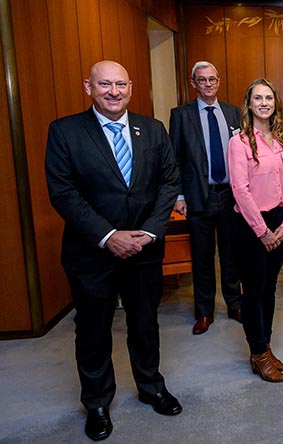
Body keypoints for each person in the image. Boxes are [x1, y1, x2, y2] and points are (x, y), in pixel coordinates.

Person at [45, 61, 182, 441]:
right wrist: (109, 236)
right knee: (92, 330)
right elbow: (63, 193)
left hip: (144, 249)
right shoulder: (65, 131)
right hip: (91, 253)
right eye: (104, 84)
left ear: (131, 87)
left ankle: (151, 386)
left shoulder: (152, 129)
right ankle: (97, 403)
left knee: (144, 323)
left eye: (120, 84)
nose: (113, 91)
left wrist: (151, 232)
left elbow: (169, 182)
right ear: (88, 86)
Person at [228, 78, 283, 382]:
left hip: (279, 224)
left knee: (269, 288)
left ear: (275, 103)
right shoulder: (239, 142)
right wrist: (263, 231)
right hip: (249, 226)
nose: (264, 103)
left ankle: (265, 345)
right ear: (250, 104)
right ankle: (258, 354)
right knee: (253, 292)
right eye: (258, 98)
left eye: (269, 98)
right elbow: (240, 190)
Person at [169, 61, 242, 335]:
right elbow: (174, 159)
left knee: (231, 255)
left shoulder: (234, 113)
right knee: (202, 257)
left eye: (212, 79)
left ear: (219, 81)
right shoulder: (180, 115)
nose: (208, 84)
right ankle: (204, 311)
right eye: (202, 80)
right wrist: (178, 195)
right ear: (193, 83)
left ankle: (235, 303)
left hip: (229, 197)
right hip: (198, 196)